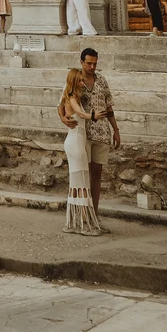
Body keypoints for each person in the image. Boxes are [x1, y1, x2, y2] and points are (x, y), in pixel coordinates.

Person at [76, 46, 119, 218]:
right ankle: (83, 213)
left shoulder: (101, 80)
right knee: (83, 173)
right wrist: (64, 118)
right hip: (83, 132)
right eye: (89, 63)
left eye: (94, 64)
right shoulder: (75, 80)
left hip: (102, 132)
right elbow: (63, 103)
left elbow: (109, 106)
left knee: (97, 173)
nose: (92, 67)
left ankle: (94, 213)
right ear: (81, 62)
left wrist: (115, 129)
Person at [59, 67, 101, 235]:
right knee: (82, 183)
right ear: (74, 81)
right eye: (80, 80)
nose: (83, 83)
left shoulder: (73, 96)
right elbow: (79, 113)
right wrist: (93, 116)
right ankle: (84, 225)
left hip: (77, 141)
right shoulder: (71, 97)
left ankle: (75, 223)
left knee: (78, 183)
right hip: (75, 142)